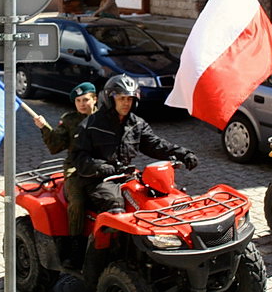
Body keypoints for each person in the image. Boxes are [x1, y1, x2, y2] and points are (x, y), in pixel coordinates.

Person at [71, 75, 199, 214]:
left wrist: (183, 153)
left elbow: (155, 144)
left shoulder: (137, 124)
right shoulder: (90, 125)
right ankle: (104, 236)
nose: (126, 103)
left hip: (127, 175)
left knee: (166, 195)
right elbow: (78, 156)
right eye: (121, 98)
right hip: (98, 179)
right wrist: (100, 166)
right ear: (110, 99)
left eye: (130, 99)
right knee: (115, 204)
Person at [34, 82, 98, 237]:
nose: (82, 104)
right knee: (77, 202)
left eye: (85, 100)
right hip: (76, 169)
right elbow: (56, 145)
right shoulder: (69, 120)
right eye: (78, 101)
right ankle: (75, 245)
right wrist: (44, 127)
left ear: (95, 99)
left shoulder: (105, 117)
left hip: (102, 166)